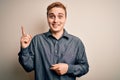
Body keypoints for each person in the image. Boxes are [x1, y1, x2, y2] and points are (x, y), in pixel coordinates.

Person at [18, 2, 89, 80]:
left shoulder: (76, 42)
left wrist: (68, 68)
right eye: (51, 16)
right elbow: (28, 67)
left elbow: (85, 67)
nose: (55, 20)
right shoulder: (37, 40)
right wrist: (24, 49)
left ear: (65, 18)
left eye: (60, 16)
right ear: (47, 18)